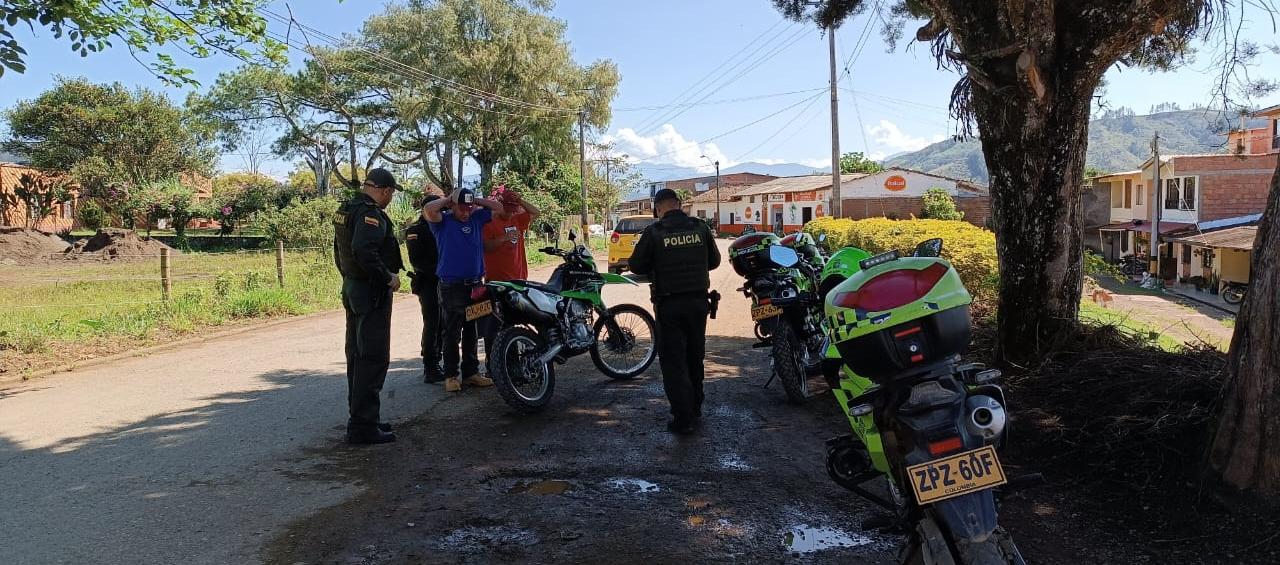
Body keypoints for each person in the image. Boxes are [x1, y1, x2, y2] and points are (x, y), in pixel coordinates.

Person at [628, 188, 721, 435]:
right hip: (698, 303)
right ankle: (696, 406)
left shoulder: (654, 232)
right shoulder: (700, 227)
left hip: (669, 306)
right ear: (679, 204)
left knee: (673, 362)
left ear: (658, 208)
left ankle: (683, 418)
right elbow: (714, 261)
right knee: (694, 355)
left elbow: (636, 264)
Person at [333, 167, 404, 445]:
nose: (390, 199)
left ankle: (363, 417)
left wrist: (348, 277)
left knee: (357, 354)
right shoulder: (369, 214)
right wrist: (387, 278)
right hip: (370, 290)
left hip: (353, 286)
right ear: (385, 191)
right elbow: (364, 250)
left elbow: (339, 250)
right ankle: (363, 425)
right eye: (391, 194)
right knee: (372, 356)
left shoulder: (347, 209)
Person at [423, 187, 505, 393]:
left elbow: (499, 208)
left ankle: (471, 373)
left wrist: (475, 199)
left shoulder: (477, 218)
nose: (466, 212)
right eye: (462, 208)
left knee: (472, 330)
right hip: (452, 287)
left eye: (469, 207)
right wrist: (449, 199)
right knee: (452, 332)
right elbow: (428, 209)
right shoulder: (442, 221)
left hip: (476, 285)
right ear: (452, 206)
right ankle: (451, 375)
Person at [480, 185, 540, 353]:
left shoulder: (517, 219)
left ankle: (514, 358)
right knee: (496, 324)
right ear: (500, 205)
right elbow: (486, 246)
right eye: (507, 208)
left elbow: (536, 212)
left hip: (518, 280)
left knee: (517, 321)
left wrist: (520, 201)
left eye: (513, 209)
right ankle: (496, 360)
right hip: (498, 281)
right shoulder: (489, 222)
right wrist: (504, 238)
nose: (510, 213)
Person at [405, 194, 444, 384]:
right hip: (428, 282)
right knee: (433, 323)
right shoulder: (416, 230)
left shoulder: (444, 225)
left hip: (446, 281)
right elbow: (417, 261)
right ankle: (430, 365)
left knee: (444, 323)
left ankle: (438, 358)